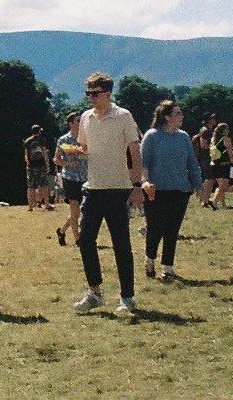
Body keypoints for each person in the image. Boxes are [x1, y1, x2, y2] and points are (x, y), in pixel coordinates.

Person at [71, 73, 144, 315]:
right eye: (88, 93)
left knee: (121, 244)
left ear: (108, 94)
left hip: (118, 189)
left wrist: (136, 185)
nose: (91, 98)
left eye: (95, 93)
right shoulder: (85, 117)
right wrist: (77, 152)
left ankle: (127, 297)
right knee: (85, 240)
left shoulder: (123, 116)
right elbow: (85, 148)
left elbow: (135, 152)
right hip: (93, 189)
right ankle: (95, 292)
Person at [139, 100, 203, 281]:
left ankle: (168, 266)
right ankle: (150, 258)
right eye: (178, 114)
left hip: (180, 190)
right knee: (155, 228)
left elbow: (192, 163)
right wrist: (145, 183)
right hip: (156, 190)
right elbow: (144, 164)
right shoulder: (152, 136)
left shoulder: (183, 137)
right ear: (166, 117)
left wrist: (199, 186)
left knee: (172, 230)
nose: (182, 117)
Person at [54, 110, 85, 247]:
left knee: (79, 212)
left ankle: (62, 230)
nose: (81, 123)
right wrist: (68, 164)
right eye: (78, 120)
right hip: (70, 178)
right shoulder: (64, 140)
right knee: (74, 208)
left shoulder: (86, 138)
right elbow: (56, 159)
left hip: (86, 178)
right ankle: (78, 239)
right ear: (71, 123)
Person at [23, 124, 52, 213]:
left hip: (31, 166)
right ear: (39, 131)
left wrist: (28, 164)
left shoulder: (27, 141)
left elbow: (26, 155)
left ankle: (30, 206)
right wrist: (47, 164)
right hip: (41, 165)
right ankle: (47, 204)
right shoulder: (41, 140)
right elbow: (44, 153)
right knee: (44, 184)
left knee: (30, 186)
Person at [207, 122, 233, 209]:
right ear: (223, 131)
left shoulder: (213, 139)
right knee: (223, 186)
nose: (228, 131)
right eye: (227, 129)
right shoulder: (226, 139)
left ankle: (223, 205)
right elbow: (230, 152)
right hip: (224, 164)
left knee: (220, 185)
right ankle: (214, 201)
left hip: (214, 164)